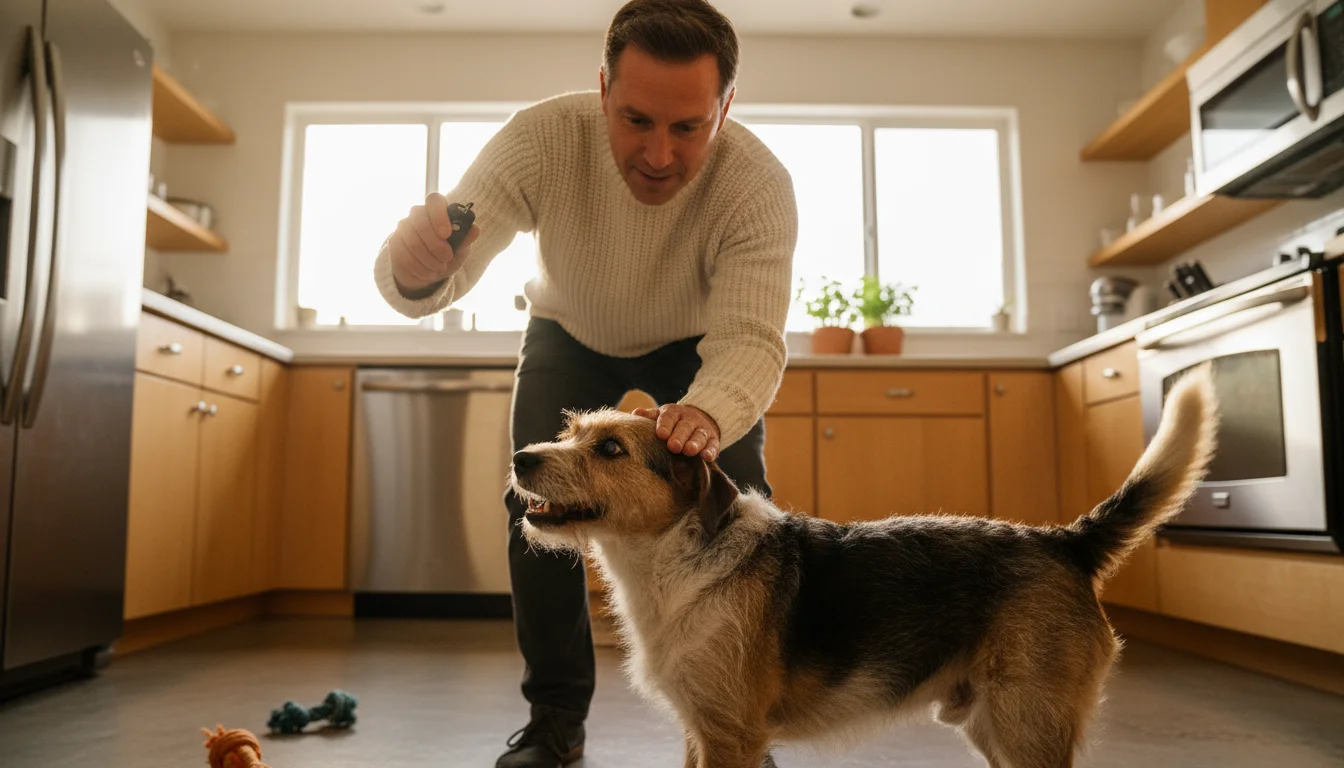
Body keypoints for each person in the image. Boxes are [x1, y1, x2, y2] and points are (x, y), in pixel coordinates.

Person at [372, 1, 798, 765]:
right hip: (569, 334)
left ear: (725, 108)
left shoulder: (756, 184)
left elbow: (749, 338)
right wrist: (411, 272)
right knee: (534, 507)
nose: (659, 154)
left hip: (696, 353)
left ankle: (737, 719)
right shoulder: (541, 138)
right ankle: (554, 722)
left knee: (737, 508)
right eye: (636, 120)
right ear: (601, 89)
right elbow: (448, 260)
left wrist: (709, 410)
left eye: (687, 127)